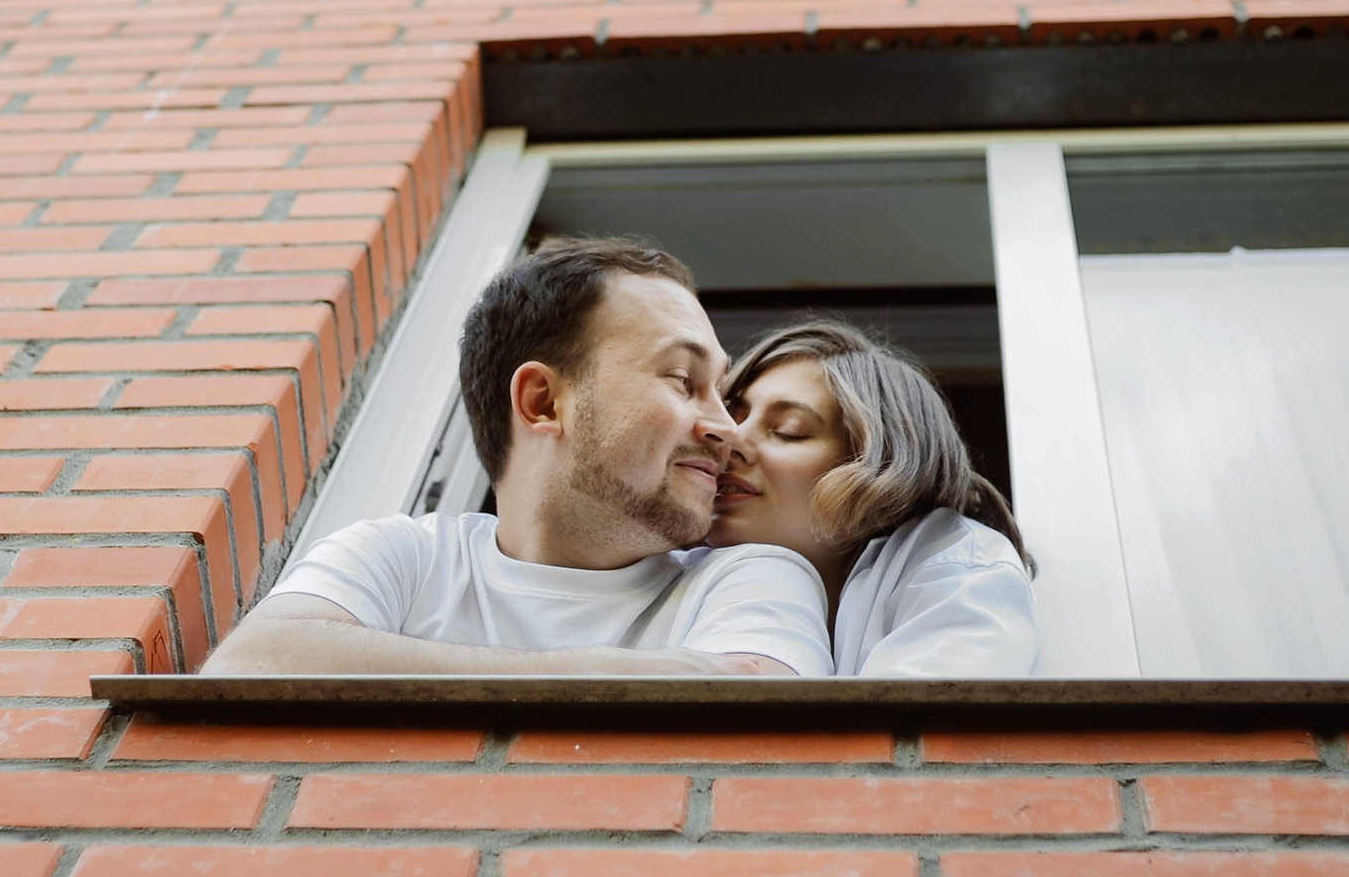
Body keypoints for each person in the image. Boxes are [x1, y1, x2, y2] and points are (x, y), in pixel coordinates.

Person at [200, 237, 832, 676]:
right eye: (681, 380)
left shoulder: (746, 577)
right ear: (541, 401)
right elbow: (254, 660)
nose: (727, 430)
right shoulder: (405, 556)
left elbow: (760, 702)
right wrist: (617, 672)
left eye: (719, 392)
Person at [708, 319, 1039, 677]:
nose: (732, 441)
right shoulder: (668, 572)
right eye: (730, 417)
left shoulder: (959, 571)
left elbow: (919, 727)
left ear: (878, 466)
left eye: (790, 432)